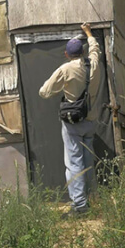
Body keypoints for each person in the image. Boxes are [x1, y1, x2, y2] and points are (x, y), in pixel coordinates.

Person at [39, 23, 101, 217]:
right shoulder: (94, 64)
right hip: (91, 120)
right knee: (88, 160)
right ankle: (92, 198)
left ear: (67, 54)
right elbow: (95, 48)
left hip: (72, 123)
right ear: (83, 52)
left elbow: (45, 92)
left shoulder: (65, 69)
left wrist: (63, 86)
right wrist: (89, 33)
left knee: (74, 163)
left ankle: (80, 207)